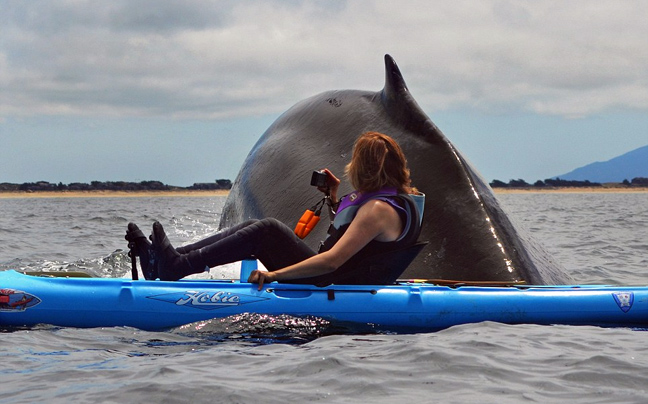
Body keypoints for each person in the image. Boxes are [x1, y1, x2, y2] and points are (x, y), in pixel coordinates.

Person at [125, 131, 423, 289]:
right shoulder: (391, 202)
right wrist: (334, 198)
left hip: (330, 281)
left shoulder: (378, 210)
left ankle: (174, 266)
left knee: (266, 230)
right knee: (256, 227)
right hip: (340, 276)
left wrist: (274, 275)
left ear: (364, 169)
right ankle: (172, 259)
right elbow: (357, 242)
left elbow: (333, 261)